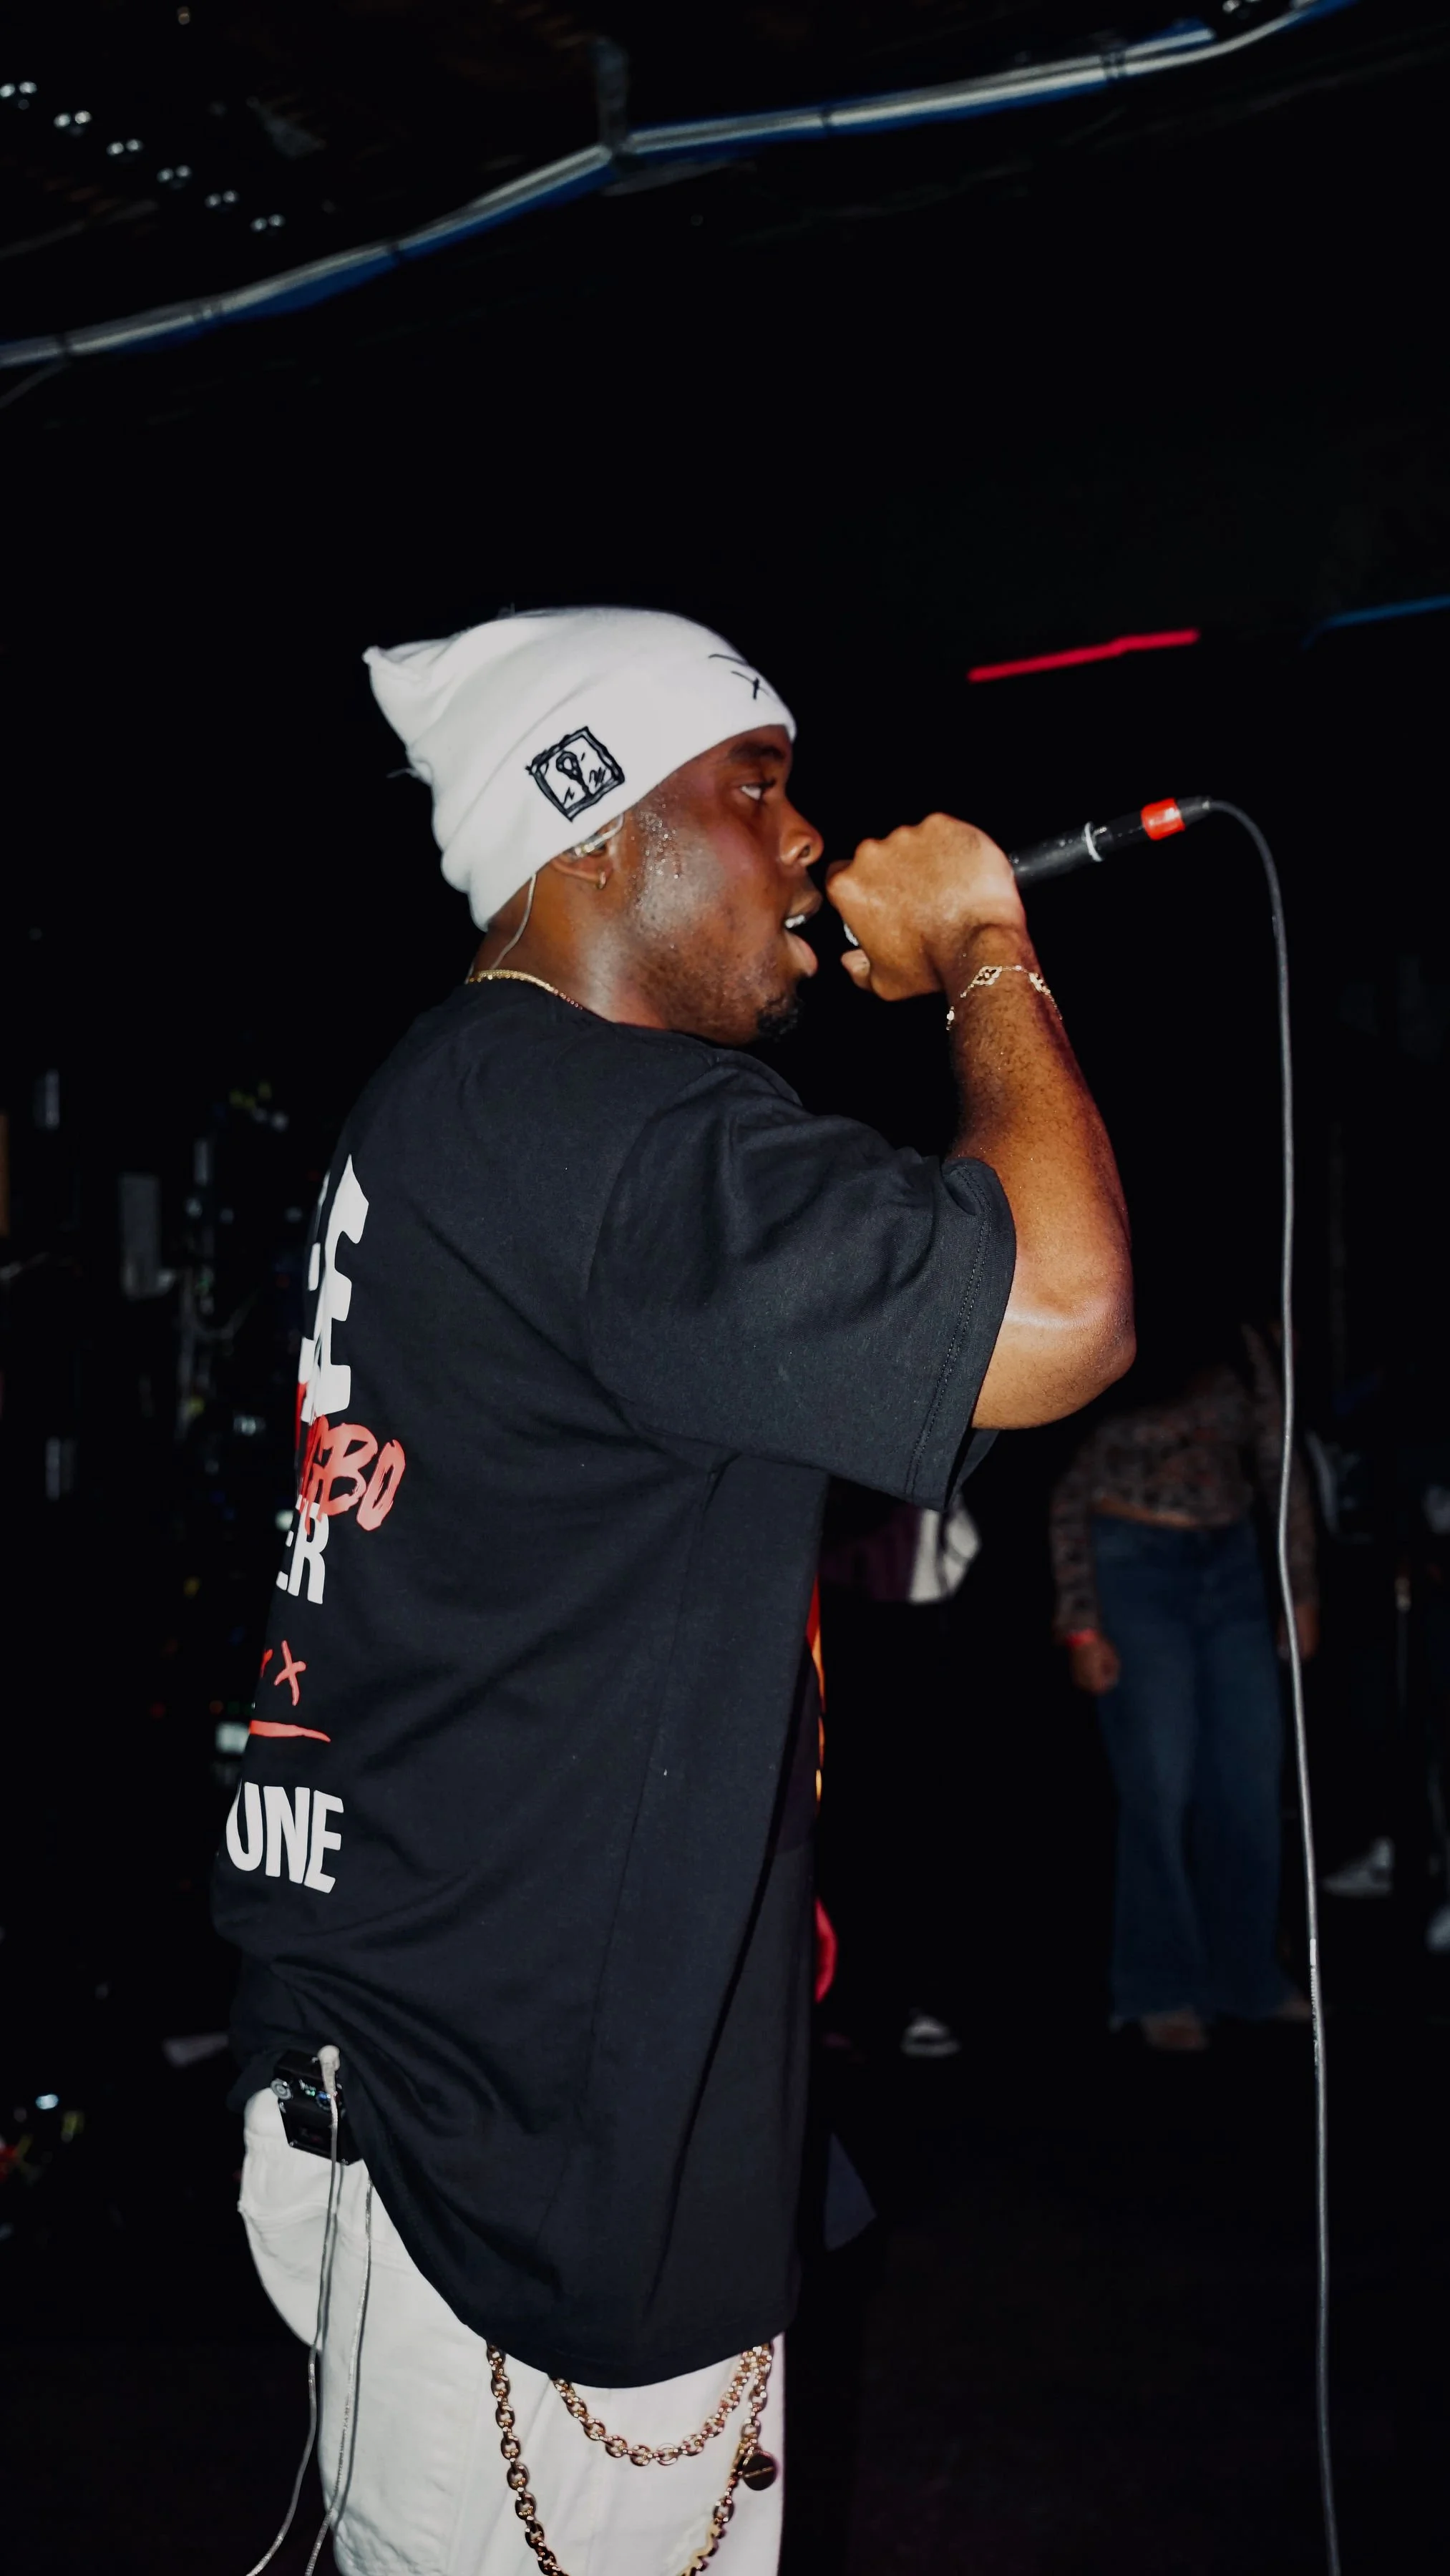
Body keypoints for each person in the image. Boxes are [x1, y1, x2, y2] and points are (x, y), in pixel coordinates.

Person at [213, 605, 1132, 2576]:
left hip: (444, 2082)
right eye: (759, 785)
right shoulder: (588, 1125)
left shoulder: (468, 1115)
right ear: (594, 827)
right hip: (526, 2156)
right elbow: (1059, 1309)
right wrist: (986, 948)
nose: (807, 844)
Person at [1051, 1311, 1318, 2052]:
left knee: (1248, 1779)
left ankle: (1247, 1978)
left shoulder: (1239, 1340)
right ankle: (1158, 1986)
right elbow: (1068, 1477)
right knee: (1159, 1784)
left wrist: (1299, 1590)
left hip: (1229, 1567)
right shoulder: (1110, 1317)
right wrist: (1079, 1621)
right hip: (1131, 1565)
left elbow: (1278, 1457)